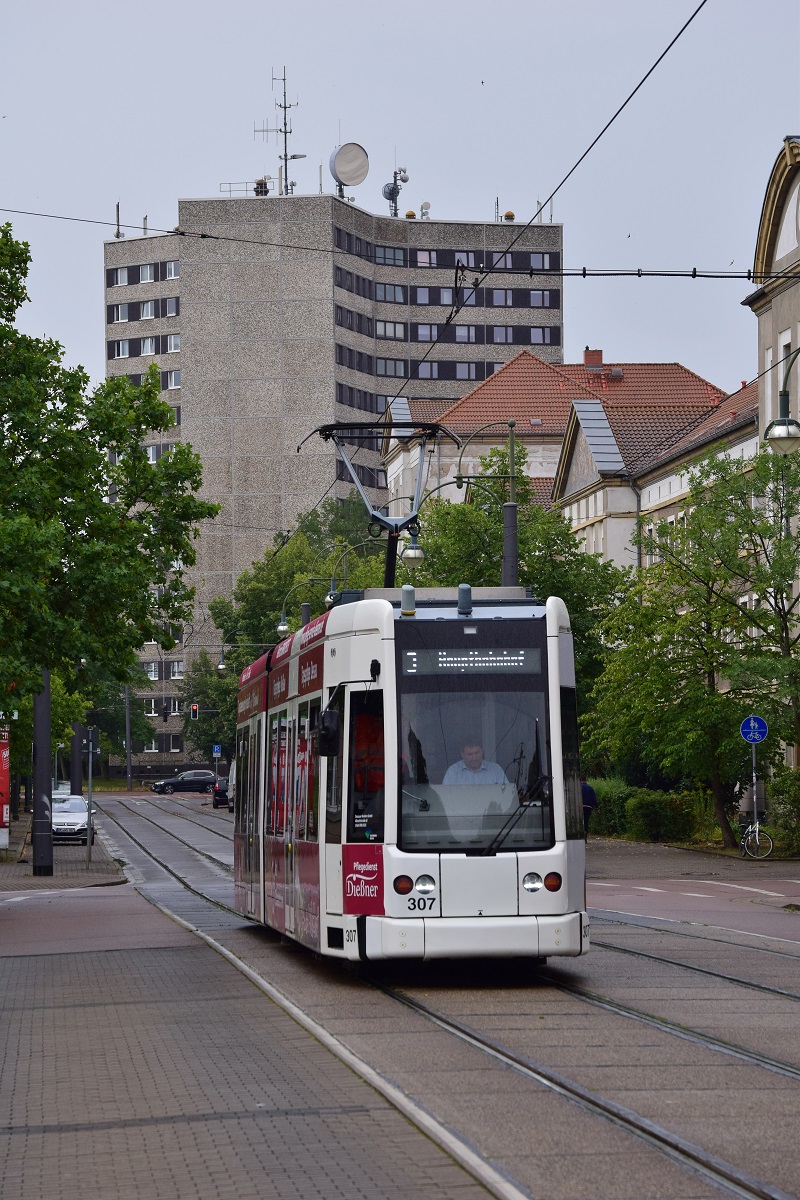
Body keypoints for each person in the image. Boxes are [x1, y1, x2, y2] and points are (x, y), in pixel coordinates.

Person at [443, 740, 511, 786]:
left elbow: (505, 795)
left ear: (482, 751)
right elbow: (445, 798)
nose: (474, 757)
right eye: (470, 754)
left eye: (477, 753)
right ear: (462, 754)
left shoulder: (495, 770)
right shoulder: (453, 772)